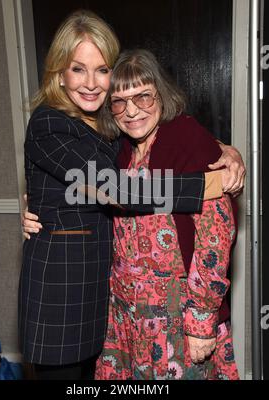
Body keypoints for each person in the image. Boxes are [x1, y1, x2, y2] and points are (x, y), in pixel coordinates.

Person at [20, 10, 245, 380]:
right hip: (71, 305)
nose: (92, 83)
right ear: (59, 73)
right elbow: (117, 189)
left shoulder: (123, 135)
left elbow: (215, 233)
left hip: (148, 315)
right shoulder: (58, 125)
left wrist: (226, 151)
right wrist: (206, 185)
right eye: (78, 69)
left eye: (102, 70)